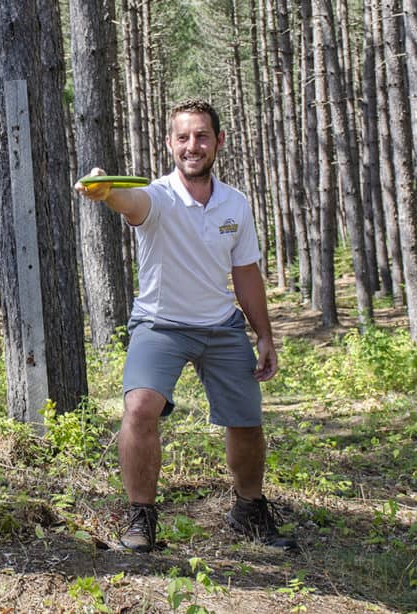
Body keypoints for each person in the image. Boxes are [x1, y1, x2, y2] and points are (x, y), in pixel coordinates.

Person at [74, 99, 296, 552]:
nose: (192, 145)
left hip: (221, 326)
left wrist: (265, 334)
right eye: (183, 137)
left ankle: (249, 511)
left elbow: (246, 273)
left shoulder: (236, 203)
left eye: (201, 136)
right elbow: (130, 203)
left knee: (247, 420)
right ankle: (140, 519)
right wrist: (106, 190)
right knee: (139, 407)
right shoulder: (157, 195)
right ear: (170, 144)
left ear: (218, 142)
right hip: (160, 325)